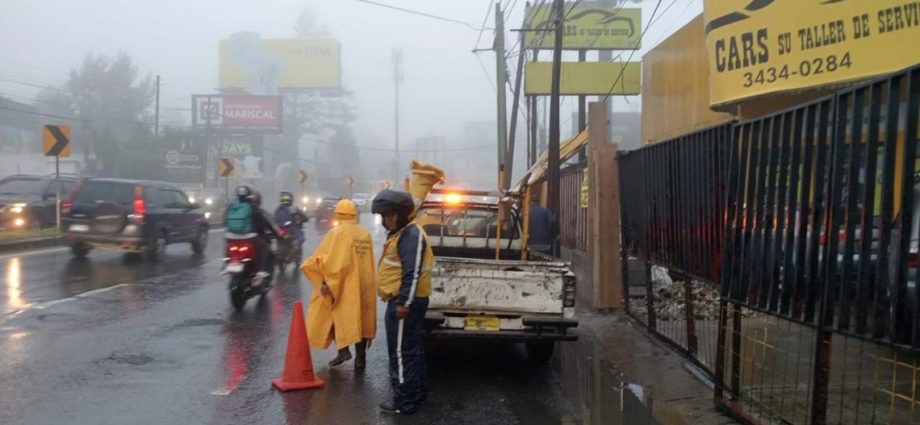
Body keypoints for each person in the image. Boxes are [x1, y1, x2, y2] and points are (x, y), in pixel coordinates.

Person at [372, 189, 434, 415]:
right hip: (405, 301)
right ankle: (417, 393)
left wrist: (403, 303)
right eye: (384, 216)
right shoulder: (401, 233)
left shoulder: (411, 235)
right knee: (412, 350)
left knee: (400, 353)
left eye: (391, 215)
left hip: (405, 302)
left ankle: (404, 402)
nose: (386, 219)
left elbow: (412, 272)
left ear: (404, 214)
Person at [300, 199, 377, 368]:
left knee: (337, 315)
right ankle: (360, 358)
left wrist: (326, 281)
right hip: (365, 284)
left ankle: (343, 351)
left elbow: (334, 263)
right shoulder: (364, 233)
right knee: (362, 319)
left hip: (345, 284)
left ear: (338, 213)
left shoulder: (338, 232)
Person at [226, 185, 280, 280]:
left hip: (232, 237)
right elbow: (265, 223)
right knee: (265, 247)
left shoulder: (232, 207)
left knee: (229, 246)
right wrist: (277, 235)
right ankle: (260, 271)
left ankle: (226, 265)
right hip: (249, 237)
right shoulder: (254, 208)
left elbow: (225, 221)